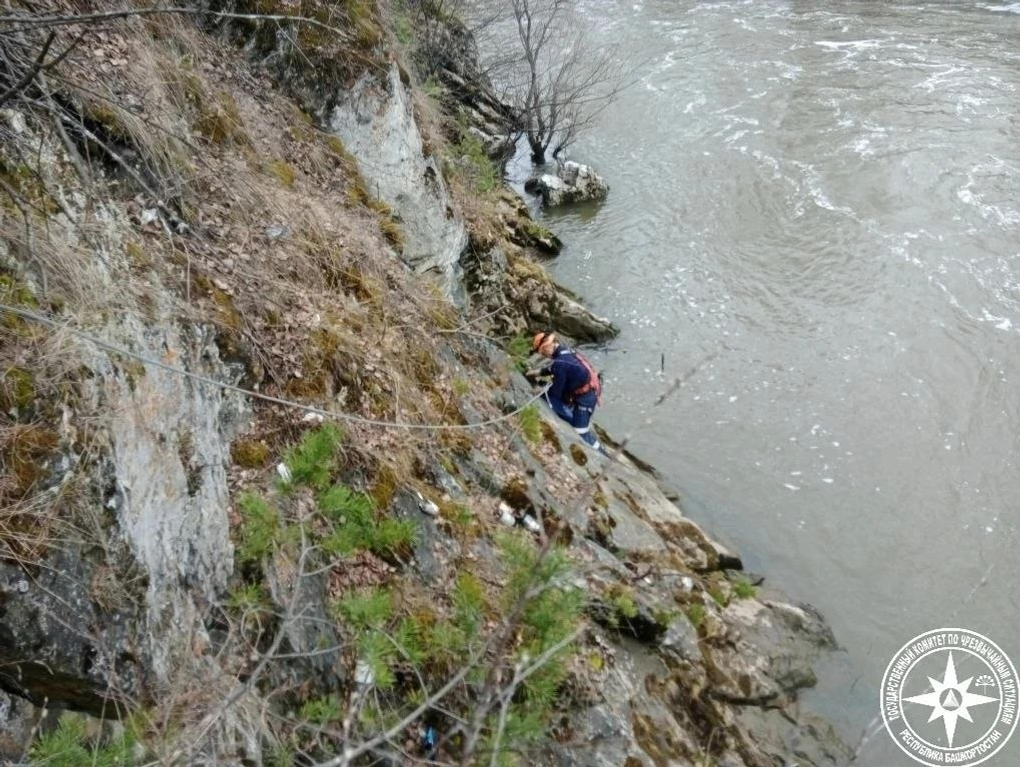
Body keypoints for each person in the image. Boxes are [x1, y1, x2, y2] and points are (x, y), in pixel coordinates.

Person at [528, 330, 606, 453]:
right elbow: (557, 368)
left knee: (580, 431)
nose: (544, 355)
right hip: (589, 388)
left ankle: (602, 453)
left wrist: (539, 390)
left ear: (548, 347)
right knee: (577, 421)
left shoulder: (560, 362)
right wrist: (540, 372)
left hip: (585, 398)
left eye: (543, 352)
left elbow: (555, 393)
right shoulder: (565, 351)